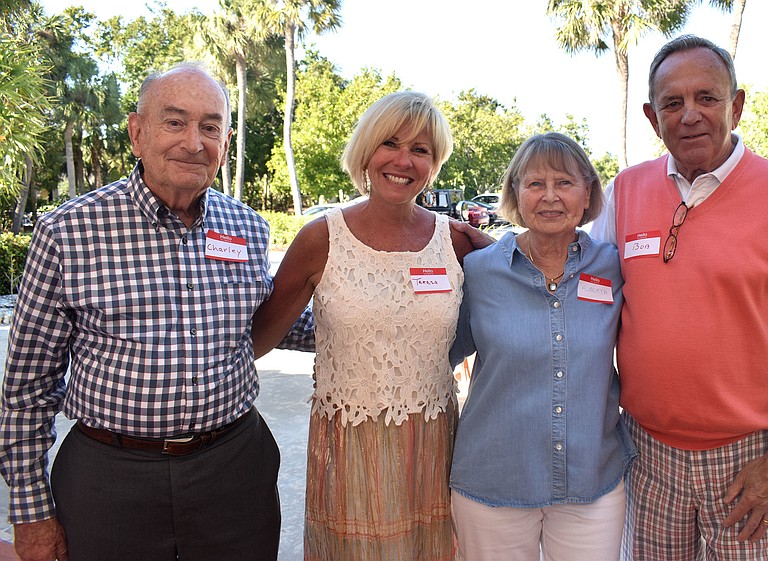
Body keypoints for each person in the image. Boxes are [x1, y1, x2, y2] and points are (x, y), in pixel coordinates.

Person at [0, 63, 313, 561]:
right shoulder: (68, 232)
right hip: (110, 478)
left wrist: (387, 309)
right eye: (175, 122)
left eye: (210, 127)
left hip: (235, 470)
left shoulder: (247, 229)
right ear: (137, 133)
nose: (194, 142)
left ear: (225, 144)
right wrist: (32, 513)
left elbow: (278, 322)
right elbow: (27, 389)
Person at [590, 35, 768, 560]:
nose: (689, 115)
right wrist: (496, 255)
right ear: (651, 115)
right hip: (648, 454)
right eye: (672, 102)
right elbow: (583, 289)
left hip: (753, 455)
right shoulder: (623, 192)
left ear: (736, 105)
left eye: (706, 98)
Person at [251, 91, 474, 561]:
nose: (403, 160)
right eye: (390, 142)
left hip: (433, 445)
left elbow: (525, 292)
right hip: (351, 447)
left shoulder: (455, 241)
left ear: (434, 164)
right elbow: (259, 337)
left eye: (421, 150)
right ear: (365, 150)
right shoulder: (321, 238)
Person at [448, 132, 636, 561]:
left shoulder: (612, 266)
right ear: (516, 193)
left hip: (592, 479)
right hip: (493, 480)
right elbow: (439, 356)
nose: (550, 196)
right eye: (535, 184)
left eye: (565, 183)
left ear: (587, 192)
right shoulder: (479, 272)